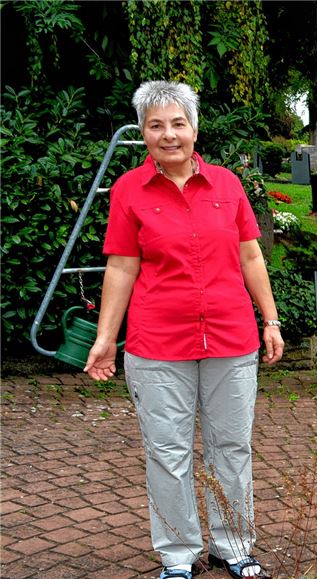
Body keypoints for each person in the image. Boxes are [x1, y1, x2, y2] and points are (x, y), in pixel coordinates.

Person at [84, 81, 283, 579]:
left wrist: (271, 319)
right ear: (143, 133)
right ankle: (177, 555)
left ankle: (233, 545)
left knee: (231, 448)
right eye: (156, 125)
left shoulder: (228, 185)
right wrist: (106, 338)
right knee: (167, 452)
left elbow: (250, 256)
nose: (168, 135)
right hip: (158, 344)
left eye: (178, 123)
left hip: (231, 338)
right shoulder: (129, 190)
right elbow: (122, 268)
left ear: (194, 129)